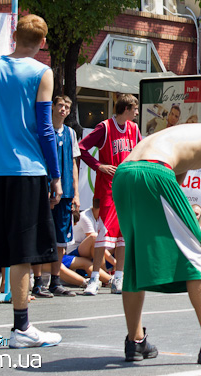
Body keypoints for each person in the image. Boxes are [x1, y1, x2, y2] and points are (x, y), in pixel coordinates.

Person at [112, 103, 201, 364]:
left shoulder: (190, 131)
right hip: (153, 171)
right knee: (198, 254)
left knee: (133, 256)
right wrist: (199, 227)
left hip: (124, 173)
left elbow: (176, 183)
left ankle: (135, 341)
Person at [0, 14, 63, 349]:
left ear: (14, 35)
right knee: (21, 253)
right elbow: (45, 128)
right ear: (43, 42)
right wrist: (55, 176)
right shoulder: (42, 72)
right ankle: (21, 328)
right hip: (27, 171)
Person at [79, 93, 142, 295]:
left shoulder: (134, 129)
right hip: (108, 187)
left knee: (123, 235)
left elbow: (141, 151)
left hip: (128, 186)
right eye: (135, 109)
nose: (137, 112)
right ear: (126, 109)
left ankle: (118, 278)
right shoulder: (105, 127)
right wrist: (99, 166)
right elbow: (81, 148)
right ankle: (94, 278)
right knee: (104, 235)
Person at [32, 95, 80, 298]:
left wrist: (76, 194)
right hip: (43, 189)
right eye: (60, 105)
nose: (63, 109)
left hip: (66, 192)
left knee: (61, 239)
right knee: (39, 236)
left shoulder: (70, 133)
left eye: (67, 107)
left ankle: (55, 280)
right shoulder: (41, 129)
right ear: (52, 107)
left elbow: (73, 164)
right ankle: (37, 282)